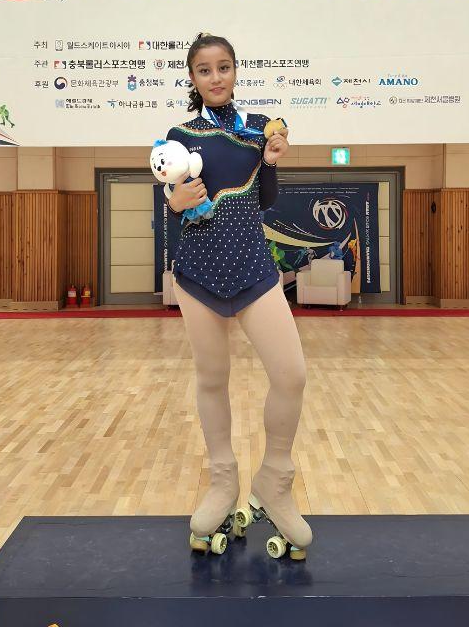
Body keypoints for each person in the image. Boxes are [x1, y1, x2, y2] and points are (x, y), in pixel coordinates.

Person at [164, 32, 311, 560]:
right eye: (205, 70)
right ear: (193, 79)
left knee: (291, 373)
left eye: (224, 67)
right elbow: (171, 210)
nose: (216, 77)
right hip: (198, 275)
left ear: (235, 71)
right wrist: (175, 201)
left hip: (254, 269)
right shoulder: (178, 136)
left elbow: (267, 201)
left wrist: (271, 159)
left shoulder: (257, 130)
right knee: (212, 378)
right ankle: (223, 479)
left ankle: (275, 478)